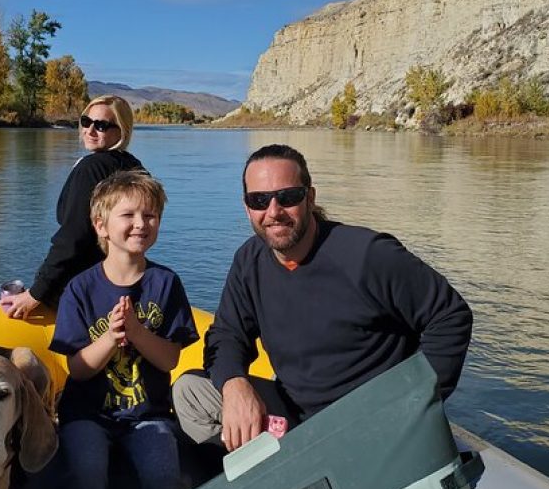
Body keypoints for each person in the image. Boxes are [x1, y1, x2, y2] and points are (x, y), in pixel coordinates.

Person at [173, 144, 473, 453]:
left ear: (310, 197)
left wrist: (411, 404)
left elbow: (450, 316)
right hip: (295, 416)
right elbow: (227, 333)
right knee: (190, 392)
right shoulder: (249, 261)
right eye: (259, 200)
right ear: (247, 207)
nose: (274, 211)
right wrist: (234, 383)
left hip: (369, 423)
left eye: (288, 197)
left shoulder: (367, 254)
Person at [49, 171, 199, 489]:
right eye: (128, 215)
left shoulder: (166, 284)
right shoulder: (80, 289)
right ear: (101, 226)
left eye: (150, 215)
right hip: (87, 414)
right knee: (86, 473)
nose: (140, 224)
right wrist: (112, 337)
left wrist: (137, 332)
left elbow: (169, 361)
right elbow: (78, 368)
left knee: (163, 475)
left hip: (148, 415)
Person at [4, 95, 144, 319]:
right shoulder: (136, 167)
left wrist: (36, 294)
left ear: (121, 131)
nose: (90, 130)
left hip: (81, 293)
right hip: (123, 285)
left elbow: (72, 238)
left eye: (101, 126)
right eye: (86, 121)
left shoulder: (90, 168)